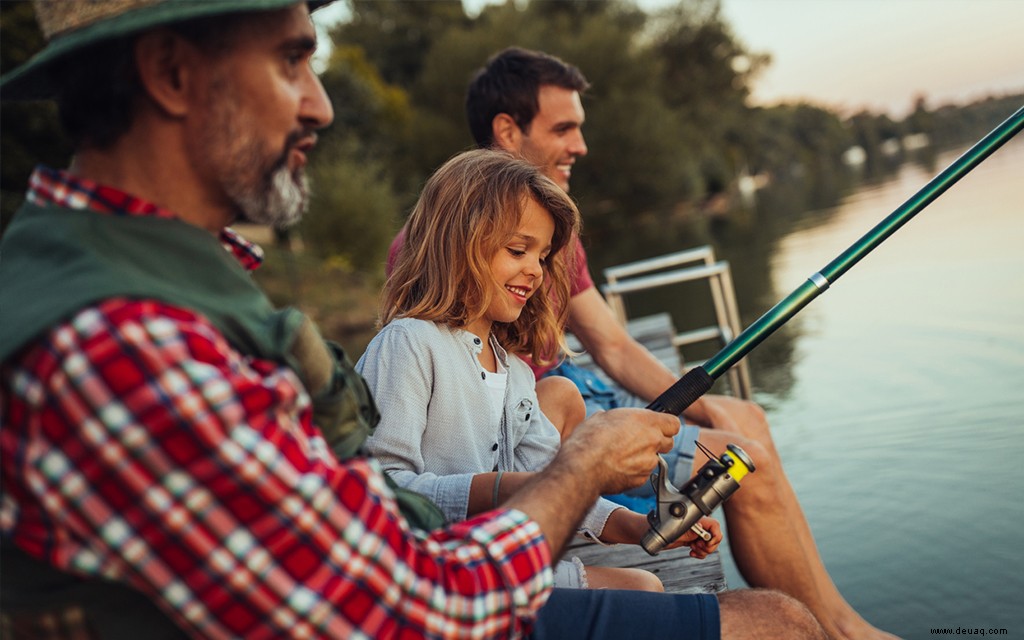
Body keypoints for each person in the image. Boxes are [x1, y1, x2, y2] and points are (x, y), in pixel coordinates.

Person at [0, 3, 826, 638]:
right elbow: (405, 613)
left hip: (420, 582)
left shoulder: (153, 283)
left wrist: (601, 502)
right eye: (292, 61)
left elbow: (364, 522)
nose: (320, 106)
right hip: (429, 610)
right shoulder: (121, 341)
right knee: (777, 626)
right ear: (172, 74)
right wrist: (577, 471)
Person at [388, 46, 896, 640]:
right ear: (508, 130)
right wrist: (544, 477)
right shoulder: (427, 309)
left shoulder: (542, 257)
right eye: (564, 128)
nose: (580, 145)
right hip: (523, 479)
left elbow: (609, 344)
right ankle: (840, 630)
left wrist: (694, 426)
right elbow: (501, 463)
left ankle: (837, 621)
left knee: (744, 421)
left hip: (549, 432)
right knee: (740, 462)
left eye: (542, 257)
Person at [357, 148, 724, 593]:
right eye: (518, 250)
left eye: (543, 256)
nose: (534, 271)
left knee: (646, 585)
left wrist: (641, 525)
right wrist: (501, 489)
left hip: (506, 565)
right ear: (458, 241)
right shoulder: (409, 343)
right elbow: (379, 491)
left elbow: (554, 482)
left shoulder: (515, 372)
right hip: (440, 580)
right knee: (646, 591)